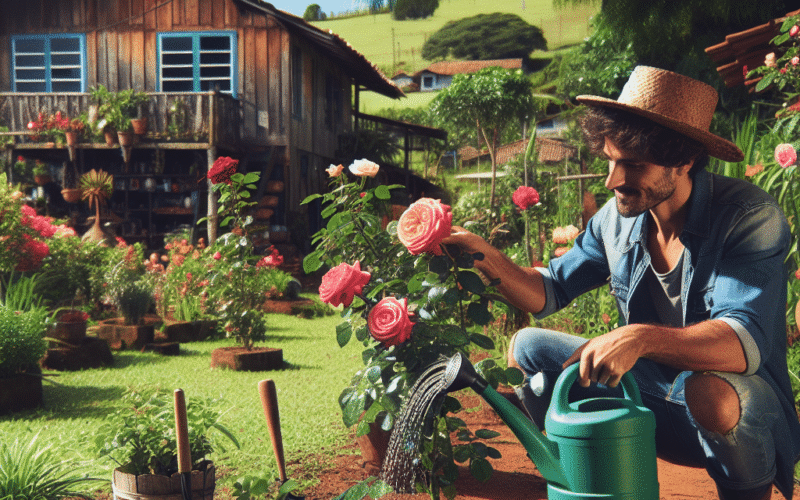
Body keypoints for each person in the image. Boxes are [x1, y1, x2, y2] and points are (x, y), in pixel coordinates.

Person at [444, 66, 800, 500]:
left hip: (732, 409)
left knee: (708, 389)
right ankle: (590, 481)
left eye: (632, 164)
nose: (613, 180)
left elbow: (742, 344)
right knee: (526, 348)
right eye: (611, 160)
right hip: (648, 397)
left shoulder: (748, 216)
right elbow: (549, 290)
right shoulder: (614, 222)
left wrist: (638, 337)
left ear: (684, 159)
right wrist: (481, 253)